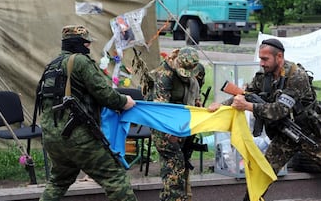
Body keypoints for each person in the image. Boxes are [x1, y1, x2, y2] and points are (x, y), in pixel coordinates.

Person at [208, 38, 321, 201]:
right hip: (285, 135)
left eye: (265, 59)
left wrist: (248, 106)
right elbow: (245, 94)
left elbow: (279, 110)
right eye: (260, 59)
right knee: (263, 174)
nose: (262, 63)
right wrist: (221, 106)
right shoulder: (264, 76)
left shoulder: (296, 76)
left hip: (310, 134)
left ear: (279, 57)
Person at [37, 25, 138, 201]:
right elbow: (105, 94)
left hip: (52, 137)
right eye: (87, 44)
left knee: (58, 182)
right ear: (80, 44)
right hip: (78, 137)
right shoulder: (80, 62)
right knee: (116, 179)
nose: (89, 47)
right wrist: (124, 102)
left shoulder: (52, 65)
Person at [147, 46, 201, 201]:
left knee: (179, 162)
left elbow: (195, 97)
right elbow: (161, 109)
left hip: (181, 123)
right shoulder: (165, 75)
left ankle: (169, 196)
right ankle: (175, 198)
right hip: (162, 125)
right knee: (175, 161)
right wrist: (170, 133)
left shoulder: (196, 72)